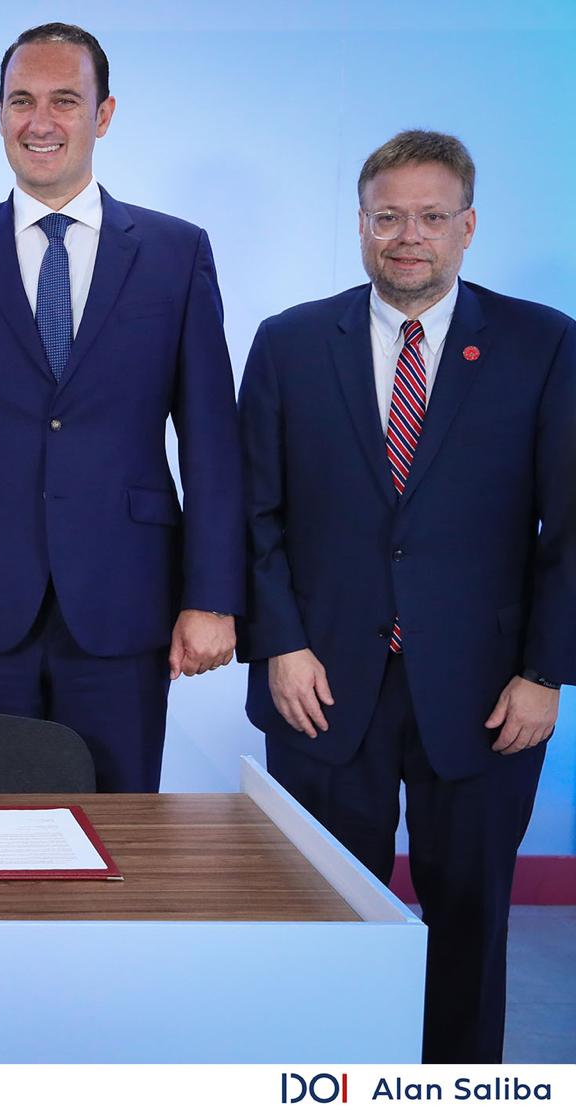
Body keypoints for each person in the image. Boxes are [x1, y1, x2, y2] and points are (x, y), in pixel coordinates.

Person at [238, 130, 575, 1063]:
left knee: (469, 922)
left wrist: (547, 672)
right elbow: (251, 512)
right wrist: (281, 643)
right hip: (320, 683)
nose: (408, 236)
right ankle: (323, 1077)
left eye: (431, 217)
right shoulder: (290, 343)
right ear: (360, 226)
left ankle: (455, 1085)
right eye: (388, 217)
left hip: (485, 692)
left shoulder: (544, 345)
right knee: (320, 916)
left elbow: (570, 529)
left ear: (467, 226)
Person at [0, 23, 244, 792]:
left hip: (126, 598)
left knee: (116, 831)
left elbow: (211, 441)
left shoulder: (177, 253)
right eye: (21, 101)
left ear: (103, 114)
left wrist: (211, 597)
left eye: (64, 100)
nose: (40, 122)